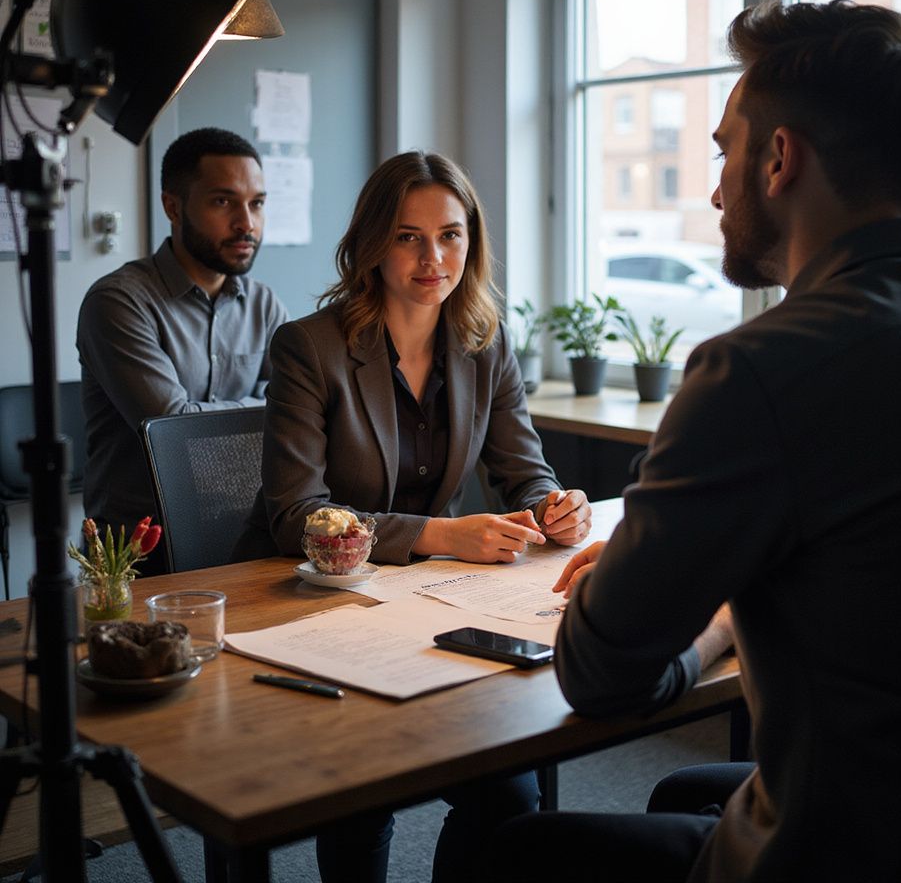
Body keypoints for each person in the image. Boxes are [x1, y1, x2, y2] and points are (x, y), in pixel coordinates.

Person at [489, 0, 901, 883]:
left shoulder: (759, 371)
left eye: (721, 149)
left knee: (515, 854)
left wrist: (721, 614)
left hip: (846, 852)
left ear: (779, 160)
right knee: (688, 791)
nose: (712, 186)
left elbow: (599, 673)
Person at [235, 149, 592, 883]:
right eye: (408, 236)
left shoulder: (483, 341)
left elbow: (524, 474)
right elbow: (298, 516)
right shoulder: (312, 346)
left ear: (473, 241)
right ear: (373, 243)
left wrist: (555, 510)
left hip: (428, 608)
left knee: (509, 793)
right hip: (315, 606)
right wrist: (440, 535)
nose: (434, 257)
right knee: (364, 793)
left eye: (452, 235)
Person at [77, 127, 286, 573]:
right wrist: (264, 413)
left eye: (257, 203)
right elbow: (175, 434)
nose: (246, 223)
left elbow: (302, 412)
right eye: (223, 201)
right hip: (137, 552)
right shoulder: (118, 301)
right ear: (173, 206)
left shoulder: (265, 305)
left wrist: (236, 416)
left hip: (245, 537)